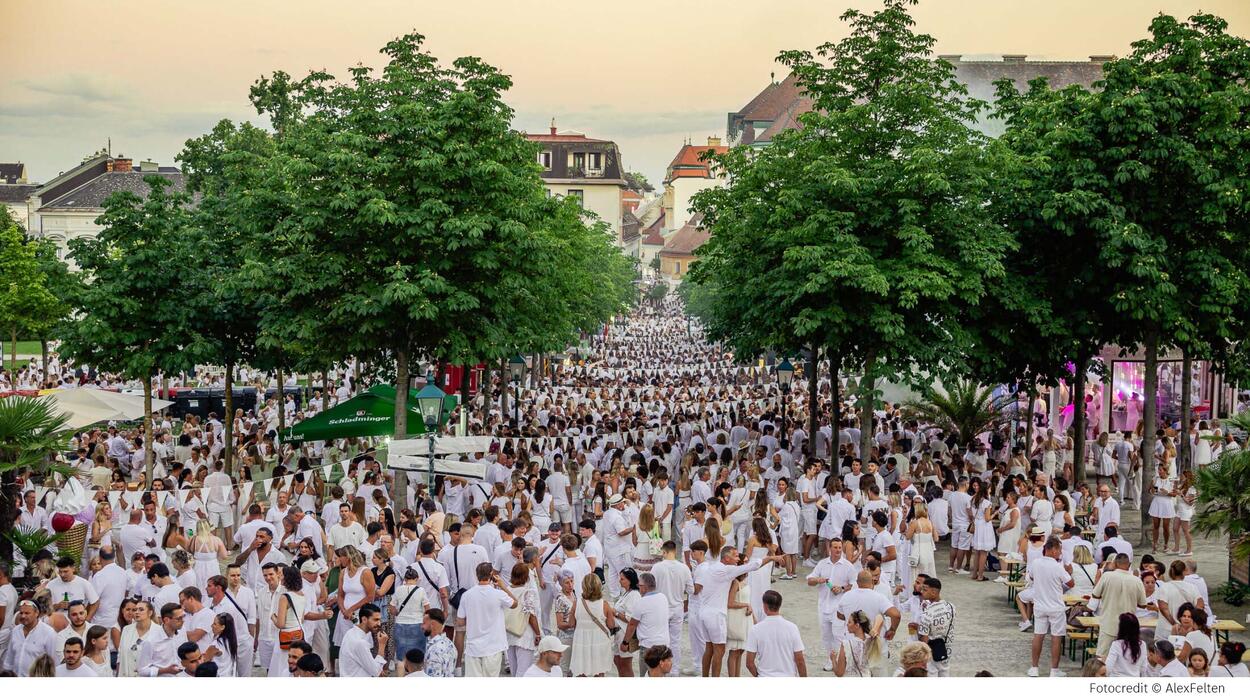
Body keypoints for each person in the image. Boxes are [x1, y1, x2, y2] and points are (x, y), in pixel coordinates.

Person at [456, 561, 518, 676]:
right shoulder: (498, 594)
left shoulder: (466, 595)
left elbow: (460, 622)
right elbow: (515, 603)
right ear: (491, 575)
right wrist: (503, 586)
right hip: (494, 646)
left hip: (473, 647)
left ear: (476, 575)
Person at [1090, 554, 1147, 657]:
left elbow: (1095, 594)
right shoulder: (1136, 580)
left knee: (1102, 656)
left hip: (1109, 624)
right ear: (1129, 564)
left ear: (1115, 563)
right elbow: (1143, 604)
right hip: (1128, 626)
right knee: (1125, 657)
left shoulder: (1107, 576)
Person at [743, 590, 805, 677]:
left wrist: (758, 676)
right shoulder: (792, 628)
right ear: (779, 605)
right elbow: (800, 661)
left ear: (765, 606)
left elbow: (749, 663)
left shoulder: (755, 630)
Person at [570, 573, 614, 677]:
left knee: (581, 671)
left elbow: (571, 623)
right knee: (599, 672)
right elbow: (611, 625)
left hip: (581, 641)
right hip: (600, 640)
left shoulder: (577, 603)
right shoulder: (604, 604)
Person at [916, 576, 954, 677]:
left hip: (931, 653)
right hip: (946, 650)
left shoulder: (927, 614)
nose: (921, 591)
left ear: (933, 592)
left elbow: (924, 639)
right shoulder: (951, 607)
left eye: (925, 589)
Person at [137, 603, 186, 677]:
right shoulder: (150, 641)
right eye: (179, 618)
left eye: (183, 617)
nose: (183, 621)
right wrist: (165, 670)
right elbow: (142, 671)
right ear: (166, 620)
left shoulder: (182, 631)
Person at [339, 603, 387, 677]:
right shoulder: (360, 642)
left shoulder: (350, 632)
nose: (379, 624)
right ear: (364, 619)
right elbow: (376, 672)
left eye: (379, 620)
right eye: (375, 620)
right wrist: (382, 645)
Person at [1104, 612, 1148, 677]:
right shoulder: (1142, 645)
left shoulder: (1116, 644)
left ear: (1121, 628)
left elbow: (1108, 668)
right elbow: (1143, 669)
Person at [421, 609, 457, 678]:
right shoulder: (450, 644)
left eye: (424, 623)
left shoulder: (434, 651)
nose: (422, 627)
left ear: (432, 625)